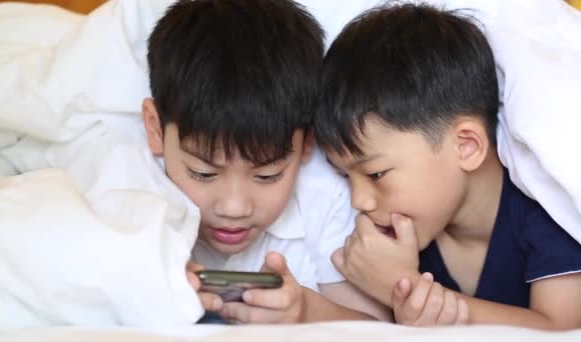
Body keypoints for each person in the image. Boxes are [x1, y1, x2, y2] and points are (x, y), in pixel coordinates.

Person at [314, 3, 581, 329]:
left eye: (375, 174)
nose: (359, 201)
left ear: (466, 146)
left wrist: (402, 287)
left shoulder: (546, 209)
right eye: (344, 175)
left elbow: (562, 330)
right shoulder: (406, 233)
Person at [141, 0, 395, 324]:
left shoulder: (325, 200)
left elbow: (380, 329)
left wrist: (305, 311)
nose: (234, 208)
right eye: (203, 173)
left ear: (307, 143)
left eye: (267, 176)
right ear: (154, 128)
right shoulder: (130, 186)